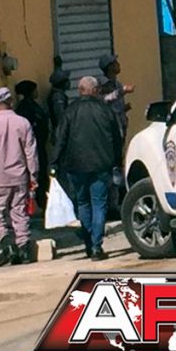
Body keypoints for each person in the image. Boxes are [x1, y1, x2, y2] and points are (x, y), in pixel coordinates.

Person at [52, 76, 123, 261]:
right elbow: (117, 138)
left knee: (83, 203)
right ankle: (96, 246)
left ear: (80, 90)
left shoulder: (70, 111)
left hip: (76, 166)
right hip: (101, 165)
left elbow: (61, 138)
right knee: (99, 204)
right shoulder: (105, 110)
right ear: (95, 90)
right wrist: (117, 161)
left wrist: (54, 162)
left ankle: (89, 243)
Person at [0, 87, 38, 265]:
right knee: (19, 212)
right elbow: (31, 152)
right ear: (11, 102)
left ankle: (6, 244)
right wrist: (33, 176)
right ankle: (24, 249)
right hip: (20, 176)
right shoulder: (23, 123)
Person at [14, 80, 49, 210]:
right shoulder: (25, 109)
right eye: (34, 90)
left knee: (42, 174)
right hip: (33, 147)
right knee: (38, 175)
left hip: (40, 145)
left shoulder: (32, 106)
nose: (36, 93)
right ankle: (40, 202)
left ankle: (43, 202)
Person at [97, 53, 134, 140]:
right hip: (110, 128)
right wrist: (122, 91)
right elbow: (104, 101)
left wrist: (124, 108)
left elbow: (115, 107)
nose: (118, 64)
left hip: (121, 126)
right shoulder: (101, 85)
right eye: (115, 63)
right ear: (110, 67)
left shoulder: (118, 84)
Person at [47, 67, 71, 134]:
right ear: (62, 83)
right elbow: (60, 116)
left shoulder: (60, 95)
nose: (69, 82)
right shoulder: (57, 96)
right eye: (67, 80)